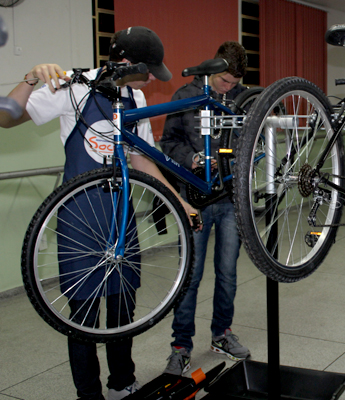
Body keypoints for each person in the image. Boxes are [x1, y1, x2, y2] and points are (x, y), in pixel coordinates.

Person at [0, 26, 197, 400]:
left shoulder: (135, 95)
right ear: (127, 62)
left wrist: (179, 200)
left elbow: (141, 158)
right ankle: (88, 393)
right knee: (83, 317)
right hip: (79, 217)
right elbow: (5, 117)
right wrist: (30, 77)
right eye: (150, 68)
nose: (153, 76)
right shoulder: (72, 87)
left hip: (120, 215)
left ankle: (122, 380)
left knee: (123, 308)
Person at [160, 41, 251, 375]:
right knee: (191, 277)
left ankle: (221, 334)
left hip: (230, 199)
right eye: (225, 80)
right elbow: (168, 142)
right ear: (213, 69)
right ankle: (181, 346)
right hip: (193, 197)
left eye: (234, 81)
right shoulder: (186, 96)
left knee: (227, 272)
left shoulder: (242, 99)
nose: (229, 87)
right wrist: (193, 159)